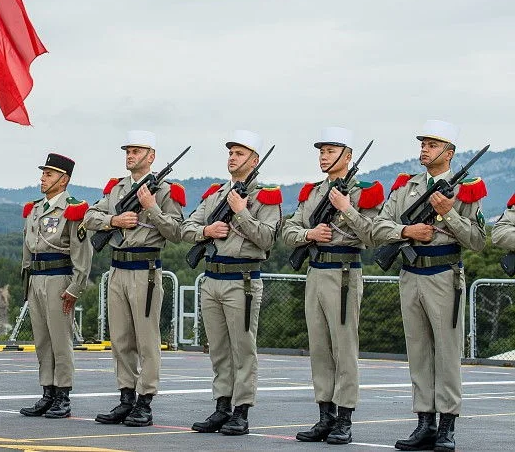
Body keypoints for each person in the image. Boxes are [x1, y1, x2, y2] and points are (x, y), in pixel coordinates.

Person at [371, 121, 486, 452]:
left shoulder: (466, 191)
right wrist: (406, 233)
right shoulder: (406, 186)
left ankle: (447, 426)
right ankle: (424, 423)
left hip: (444, 275)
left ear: (449, 154)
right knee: (418, 352)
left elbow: (478, 241)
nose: (424, 149)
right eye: (423, 144)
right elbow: (379, 226)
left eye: (432, 145)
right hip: (411, 275)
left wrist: (448, 215)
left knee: (448, 352)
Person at [281, 127, 385, 444]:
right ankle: (324, 416)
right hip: (315, 270)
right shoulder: (312, 192)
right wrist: (308, 236)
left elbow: (374, 235)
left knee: (344, 348)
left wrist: (346, 208)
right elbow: (287, 231)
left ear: (348, 156)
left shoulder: (365, 191)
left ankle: (344, 419)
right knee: (320, 350)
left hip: (344, 273)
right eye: (321, 151)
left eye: (330, 151)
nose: (324, 156)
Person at [82, 132, 185, 427]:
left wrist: (150, 207)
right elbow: (89, 216)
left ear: (151, 156)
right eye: (128, 150)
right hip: (117, 269)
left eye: (137, 151)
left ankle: (145, 400)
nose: (130, 155)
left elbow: (177, 231)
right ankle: (126, 397)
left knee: (146, 339)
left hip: (146, 270)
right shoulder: (116, 189)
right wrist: (114, 221)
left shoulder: (166, 191)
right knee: (121, 339)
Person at [182, 130, 281, 436]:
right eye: (230, 153)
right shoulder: (215, 194)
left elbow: (267, 238)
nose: (232, 158)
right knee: (219, 350)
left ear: (254, 160)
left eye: (239, 154)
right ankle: (222, 406)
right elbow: (187, 227)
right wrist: (207, 231)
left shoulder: (266, 195)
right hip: (212, 277)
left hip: (243, 280)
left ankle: (241, 410)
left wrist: (241, 213)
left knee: (243, 348)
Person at [18, 153, 92, 420]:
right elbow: (27, 249)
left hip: (59, 279)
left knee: (60, 340)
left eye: (48, 174)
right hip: (36, 279)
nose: (42, 178)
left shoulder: (74, 208)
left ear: (64, 180)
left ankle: (63, 395)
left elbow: (82, 253)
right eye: (43, 173)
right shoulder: (35, 209)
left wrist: (75, 287)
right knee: (42, 340)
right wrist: (26, 283)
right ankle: (47, 392)